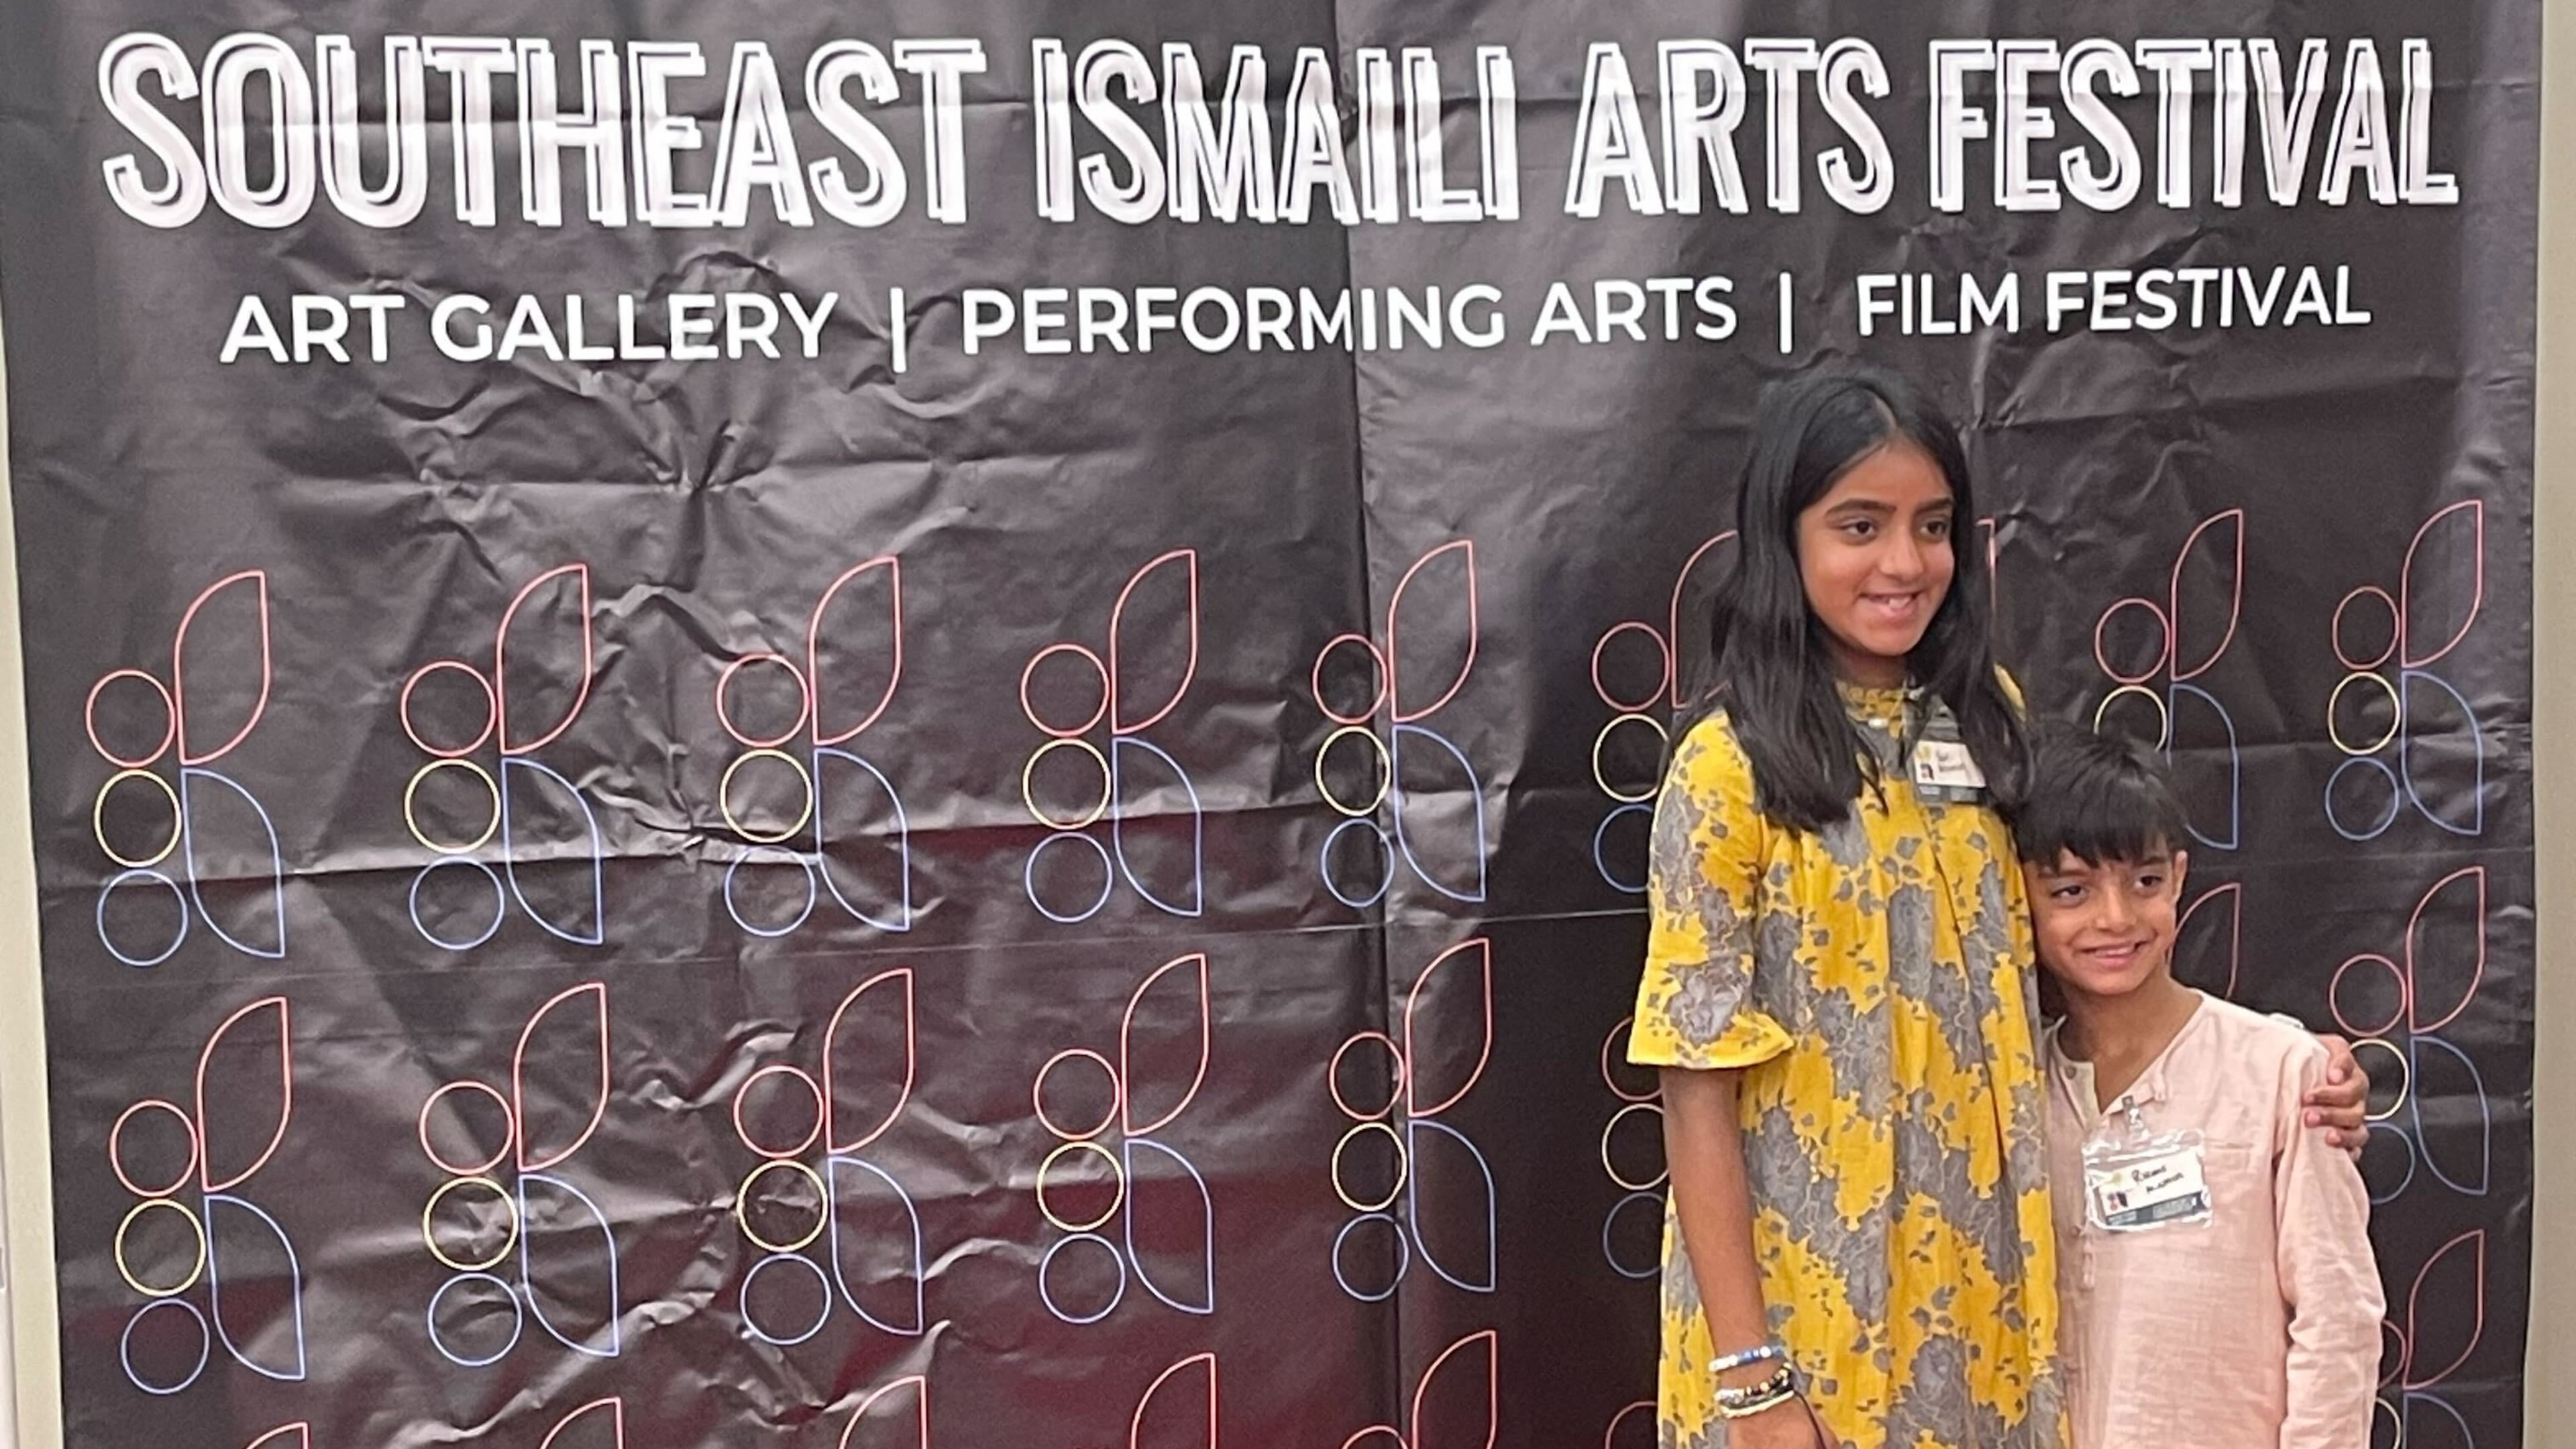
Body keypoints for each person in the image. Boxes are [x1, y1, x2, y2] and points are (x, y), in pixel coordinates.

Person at [1625, 366, 2372, 1449]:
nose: (1903, 563)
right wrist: (1753, 1384)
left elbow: (2073, 950)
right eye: (1860, 525)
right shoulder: (1726, 774)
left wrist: (2291, 1078)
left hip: (1988, 1317)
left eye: (1932, 526)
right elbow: (1694, 1096)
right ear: (1784, 538)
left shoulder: (1987, 722)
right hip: (1801, 1332)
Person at [2018, 724, 2381, 1449]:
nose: (2115, 919)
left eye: (2144, 883)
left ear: (2179, 878)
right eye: (2072, 891)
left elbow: (2337, 1316)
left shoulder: (2282, 1072)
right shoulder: (2009, 1087)